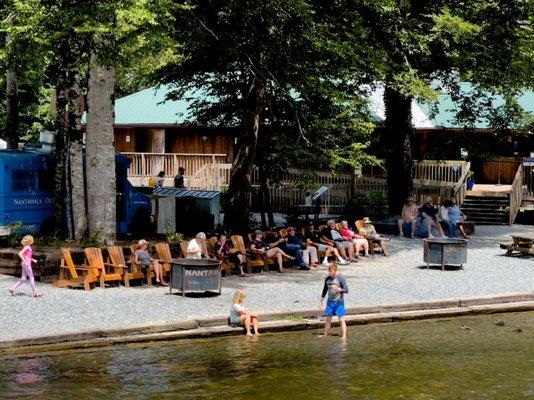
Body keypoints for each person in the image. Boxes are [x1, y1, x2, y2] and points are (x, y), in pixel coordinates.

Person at [319, 264, 348, 338]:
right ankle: (325, 335)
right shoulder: (327, 279)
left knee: (341, 320)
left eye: (332, 271)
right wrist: (321, 302)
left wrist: (339, 289)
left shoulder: (340, 278)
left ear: (335, 271)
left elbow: (346, 290)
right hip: (330, 302)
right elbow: (324, 290)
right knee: (328, 319)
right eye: (329, 271)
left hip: (339, 302)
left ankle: (344, 336)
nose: (330, 273)